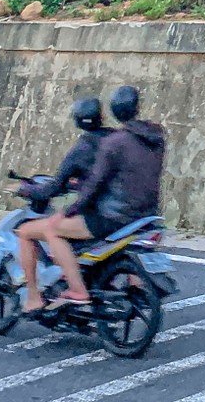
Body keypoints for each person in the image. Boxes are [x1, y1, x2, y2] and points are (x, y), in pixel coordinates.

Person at [20, 85, 167, 313]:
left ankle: (65, 292)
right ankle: (129, 283)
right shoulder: (156, 140)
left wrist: (66, 212)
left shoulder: (114, 143)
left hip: (112, 217)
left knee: (42, 230)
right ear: (137, 107)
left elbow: (94, 185)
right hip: (144, 215)